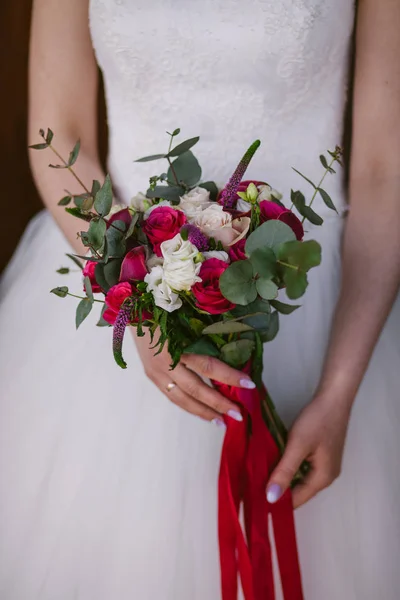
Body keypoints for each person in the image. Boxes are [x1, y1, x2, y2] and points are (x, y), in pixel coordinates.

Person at [0, 0, 399, 598]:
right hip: (129, 286)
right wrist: (136, 303)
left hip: (315, 300)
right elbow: (57, 134)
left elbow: (382, 169)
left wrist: (339, 391)